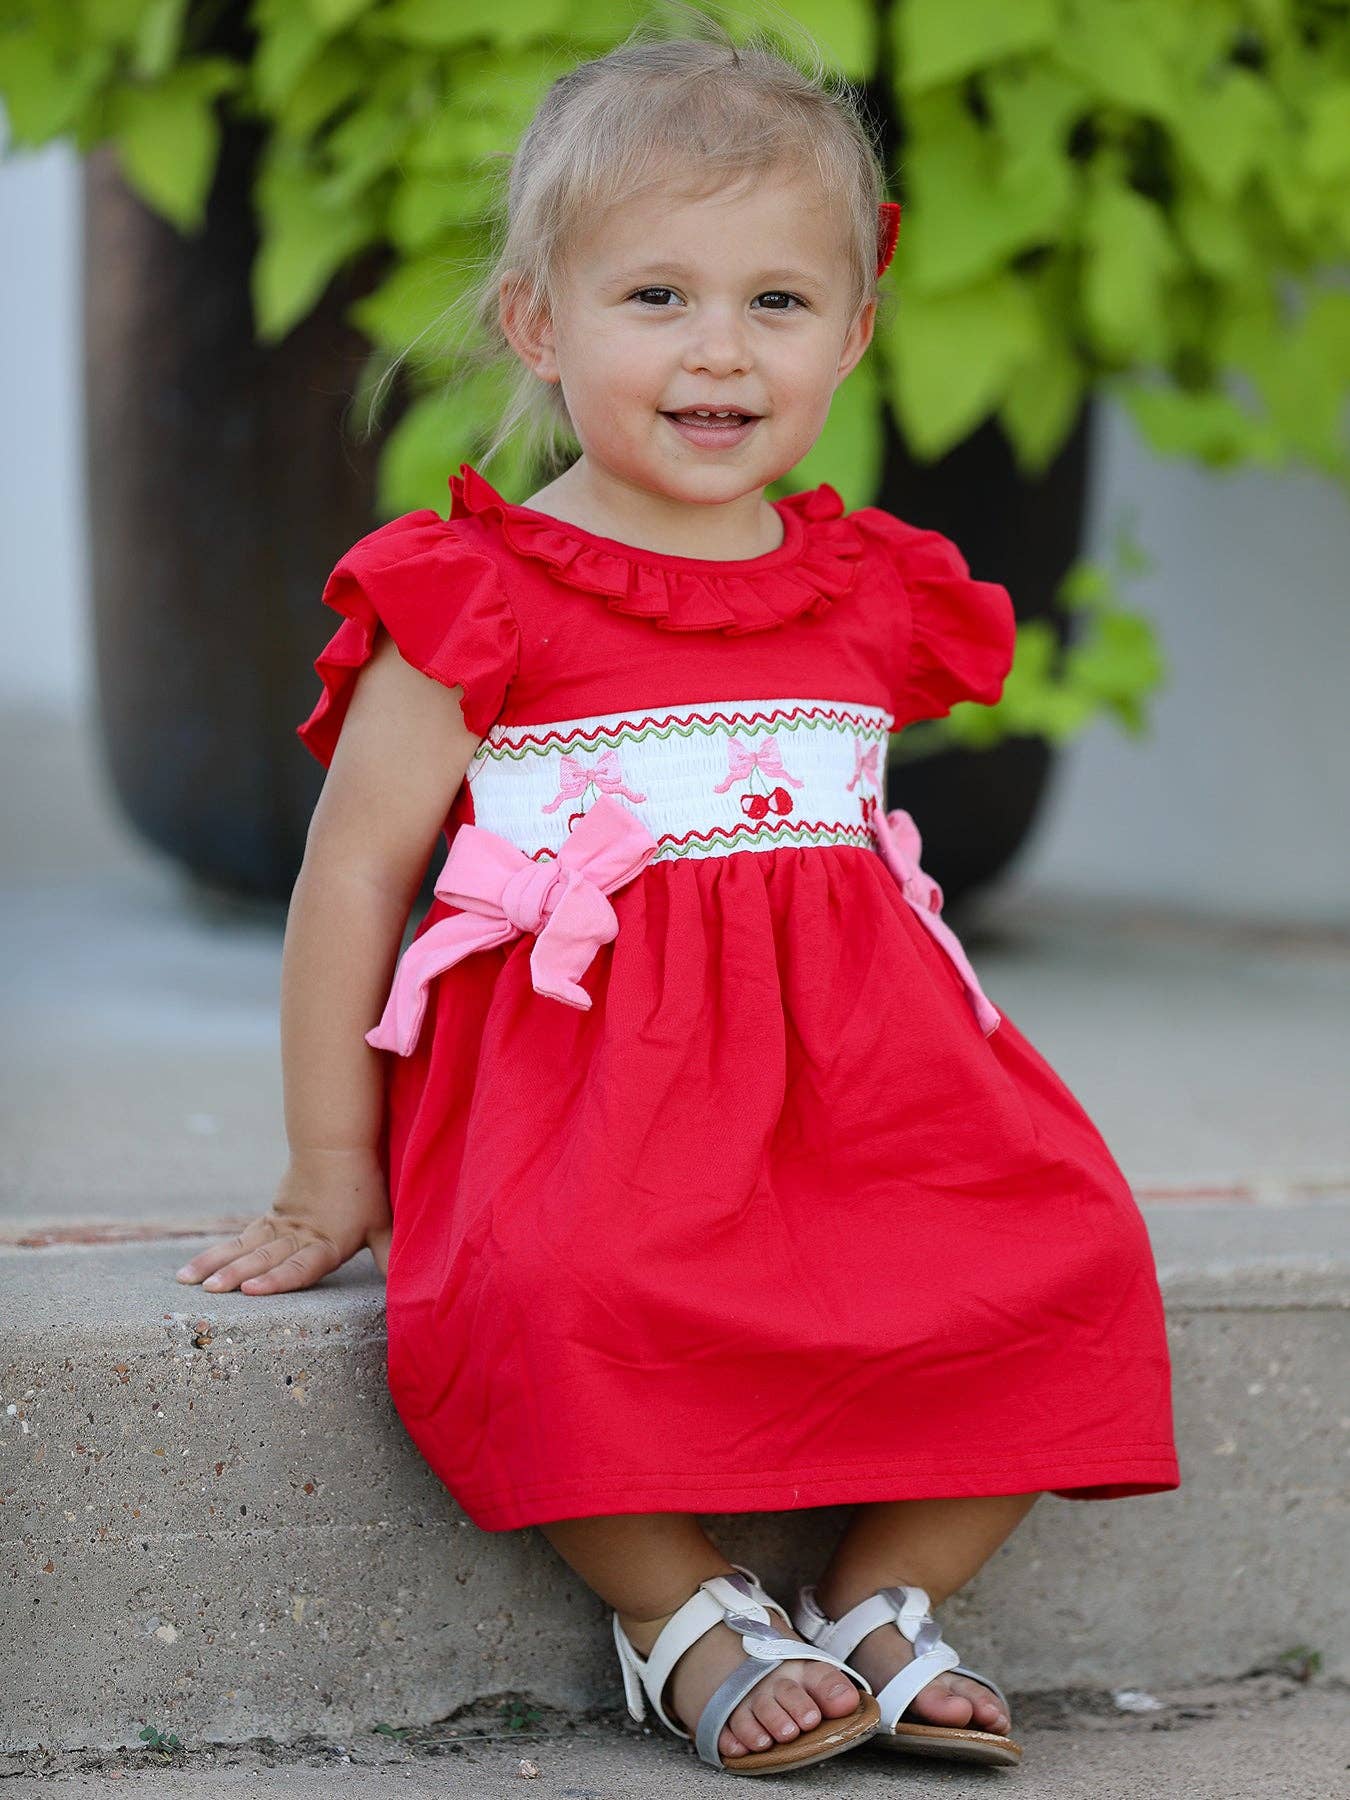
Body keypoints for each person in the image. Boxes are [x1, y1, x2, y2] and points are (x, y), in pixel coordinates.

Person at [175, 13, 1180, 1779]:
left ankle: (883, 1598)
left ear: (851, 337)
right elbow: (352, 879)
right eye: (657, 300)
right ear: (538, 325)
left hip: (866, 1078)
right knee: (547, 1293)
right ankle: (672, 1606)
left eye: (776, 304)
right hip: (589, 1092)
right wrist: (332, 1168)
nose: (719, 350)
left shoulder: (869, 588)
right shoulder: (479, 593)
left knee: (1067, 1246)